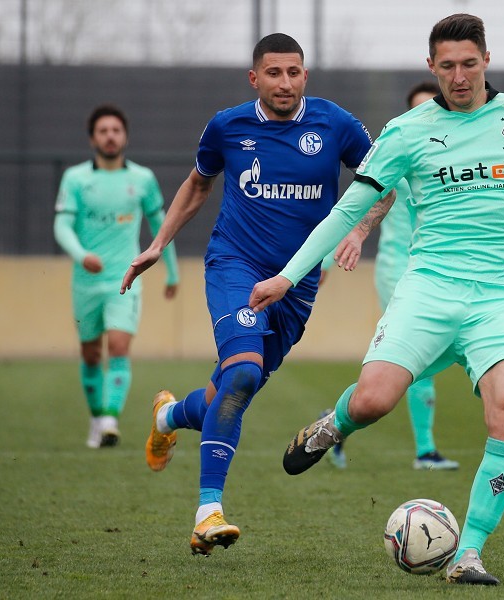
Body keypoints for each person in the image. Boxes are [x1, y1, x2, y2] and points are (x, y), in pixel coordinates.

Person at [250, 14, 504, 585]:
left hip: (501, 298)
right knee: (373, 402)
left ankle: (468, 553)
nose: (460, 76)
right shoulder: (406, 131)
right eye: (448, 66)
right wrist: (289, 276)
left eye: (469, 64)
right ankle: (331, 426)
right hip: (429, 290)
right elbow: (345, 210)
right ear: (431, 67)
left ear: (486, 61)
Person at [122, 33, 387, 556]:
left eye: (293, 72)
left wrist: (359, 231)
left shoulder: (335, 124)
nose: (284, 82)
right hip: (235, 267)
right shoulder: (227, 126)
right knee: (241, 371)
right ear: (254, 78)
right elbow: (198, 185)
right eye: (273, 73)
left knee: (230, 395)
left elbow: (382, 181)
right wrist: (157, 245)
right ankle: (207, 512)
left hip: (298, 282)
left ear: (305, 75)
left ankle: (168, 417)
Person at [54, 104, 179, 449]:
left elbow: (161, 225)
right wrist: (82, 255)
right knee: (91, 354)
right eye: (103, 131)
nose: (110, 136)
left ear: (125, 136)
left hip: (125, 279)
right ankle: (97, 419)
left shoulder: (142, 179)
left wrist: (172, 270)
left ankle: (110, 419)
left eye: (116, 130)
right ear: (93, 138)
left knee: (119, 346)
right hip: (86, 282)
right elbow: (61, 225)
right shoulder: (76, 179)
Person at [374, 80, 459, 471]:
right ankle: (425, 451)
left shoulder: (456, 161)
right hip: (399, 271)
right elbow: (358, 208)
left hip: (441, 273)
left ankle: (337, 421)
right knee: (416, 357)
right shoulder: (400, 158)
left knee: (422, 360)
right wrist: (323, 263)